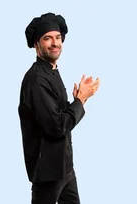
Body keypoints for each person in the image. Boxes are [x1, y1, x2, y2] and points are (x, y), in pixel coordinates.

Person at [18, 12, 100, 204]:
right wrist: (80, 101)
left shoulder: (52, 70)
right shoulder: (37, 79)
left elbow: (58, 115)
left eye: (57, 37)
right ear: (36, 45)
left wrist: (80, 100)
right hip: (48, 172)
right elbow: (57, 127)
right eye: (47, 38)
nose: (55, 43)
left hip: (65, 167)